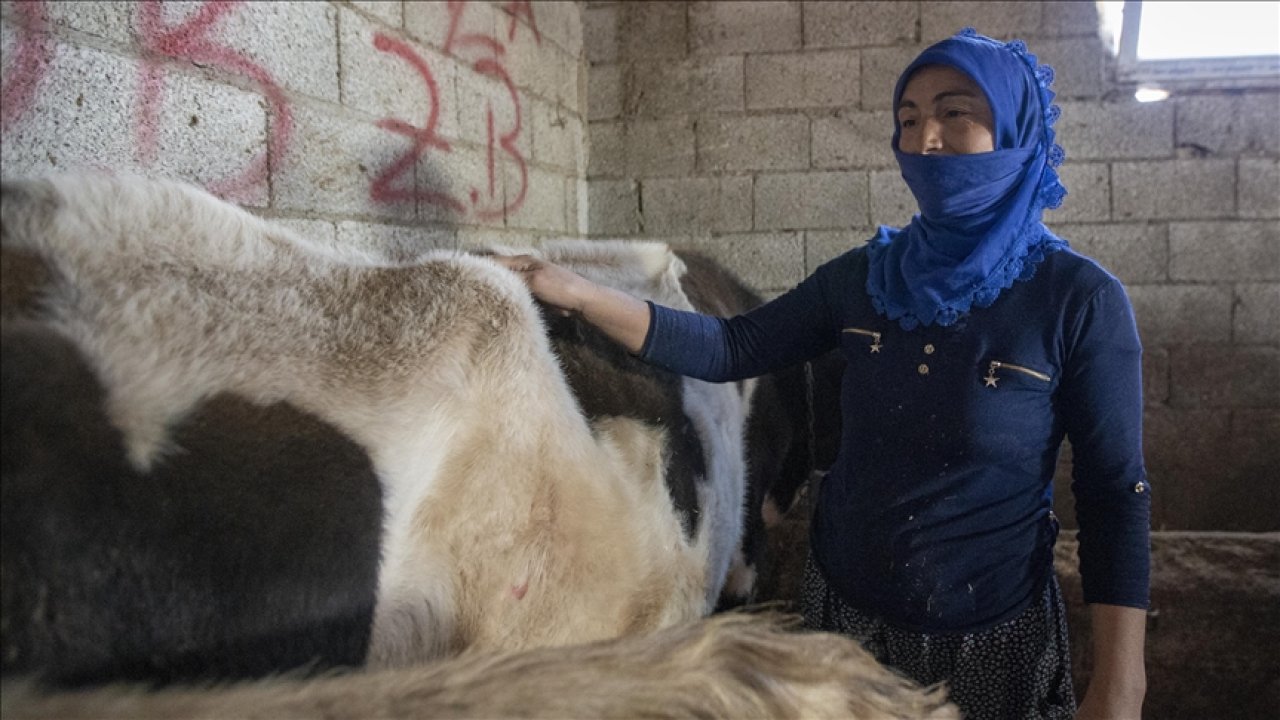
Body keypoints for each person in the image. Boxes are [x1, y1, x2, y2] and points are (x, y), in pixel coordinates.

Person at [496, 28, 1149, 720]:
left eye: (954, 113)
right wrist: (580, 293)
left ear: (1014, 128)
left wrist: (1121, 684)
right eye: (908, 119)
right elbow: (732, 346)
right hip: (846, 622)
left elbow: (1114, 492)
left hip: (989, 635)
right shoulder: (866, 278)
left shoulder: (1078, 300)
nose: (924, 140)